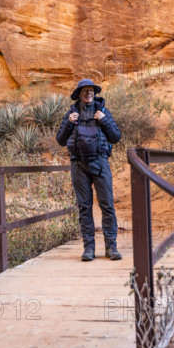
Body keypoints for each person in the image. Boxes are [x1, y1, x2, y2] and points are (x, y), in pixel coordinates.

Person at [56, 78, 122, 261]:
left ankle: (111, 247)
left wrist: (105, 120)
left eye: (91, 90)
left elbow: (116, 137)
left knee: (107, 205)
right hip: (79, 166)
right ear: (79, 94)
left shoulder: (103, 112)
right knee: (84, 207)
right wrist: (69, 122)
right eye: (85, 90)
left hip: (100, 163)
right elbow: (60, 140)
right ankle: (89, 249)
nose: (89, 93)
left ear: (95, 92)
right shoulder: (71, 113)